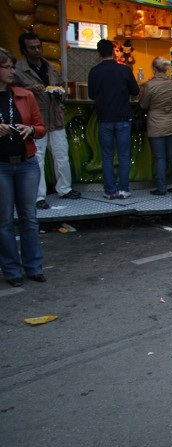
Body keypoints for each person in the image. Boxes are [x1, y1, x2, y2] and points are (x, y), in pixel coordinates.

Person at [14, 32, 81, 209]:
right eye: (32, 48)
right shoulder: (19, 69)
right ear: (24, 50)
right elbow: (13, 92)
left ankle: (64, 189)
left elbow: (60, 84)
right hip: (35, 119)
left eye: (38, 47)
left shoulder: (49, 66)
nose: (37, 50)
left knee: (62, 156)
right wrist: (30, 89)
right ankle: (38, 196)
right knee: (38, 158)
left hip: (55, 117)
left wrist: (59, 91)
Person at [0, 48, 47, 287]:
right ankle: (11, 269)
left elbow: (41, 127)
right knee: (5, 220)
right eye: (6, 67)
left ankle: (34, 266)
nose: (11, 71)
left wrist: (31, 130)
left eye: (11, 67)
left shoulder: (24, 95)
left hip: (26, 162)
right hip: (2, 166)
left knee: (29, 217)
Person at [88, 39, 140, 200]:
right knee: (124, 155)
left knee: (107, 155)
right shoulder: (124, 70)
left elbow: (91, 95)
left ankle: (110, 190)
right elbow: (135, 90)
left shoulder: (94, 72)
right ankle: (123, 189)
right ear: (113, 51)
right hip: (123, 117)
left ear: (98, 54)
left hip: (104, 118)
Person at [139, 56, 172, 196]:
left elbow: (144, 105)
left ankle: (161, 188)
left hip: (156, 123)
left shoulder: (150, 85)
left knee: (159, 158)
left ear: (153, 69)